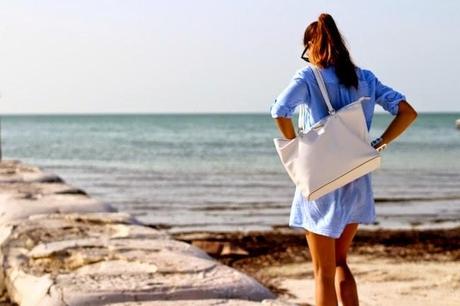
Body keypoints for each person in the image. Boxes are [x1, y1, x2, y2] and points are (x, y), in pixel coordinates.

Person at [269, 13, 417, 306]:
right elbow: (408, 112)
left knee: (322, 271)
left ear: (313, 45)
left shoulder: (309, 76)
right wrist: (380, 143)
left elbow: (279, 111)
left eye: (306, 50)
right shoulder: (365, 78)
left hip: (321, 181)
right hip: (357, 177)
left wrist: (294, 143)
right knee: (340, 262)